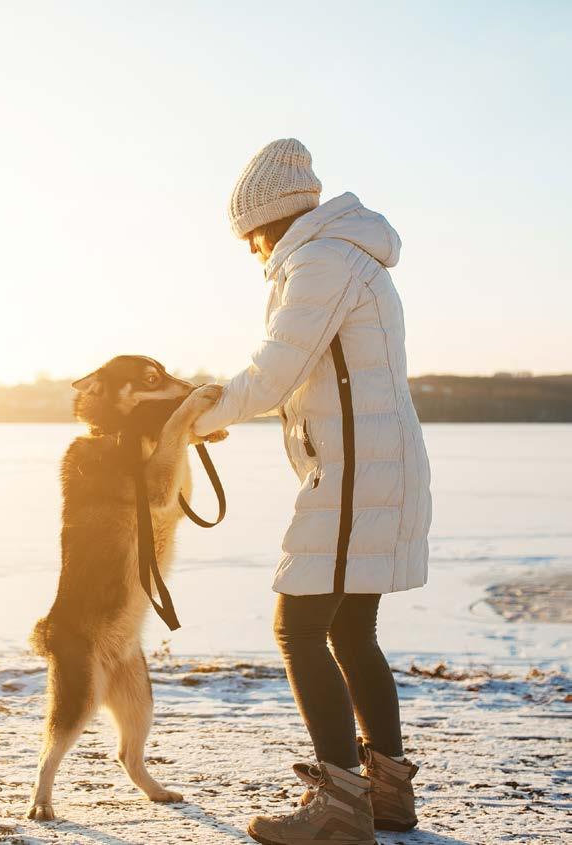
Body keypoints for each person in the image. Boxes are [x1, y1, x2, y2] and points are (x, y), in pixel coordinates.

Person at [194, 138, 432, 845]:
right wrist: (221, 409)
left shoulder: (322, 261)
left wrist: (191, 418)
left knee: (296, 628)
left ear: (276, 217)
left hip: (357, 475)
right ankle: (385, 793)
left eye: (251, 233)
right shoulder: (343, 255)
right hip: (372, 467)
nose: (250, 249)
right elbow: (294, 380)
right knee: (352, 631)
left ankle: (339, 804)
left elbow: (273, 372)